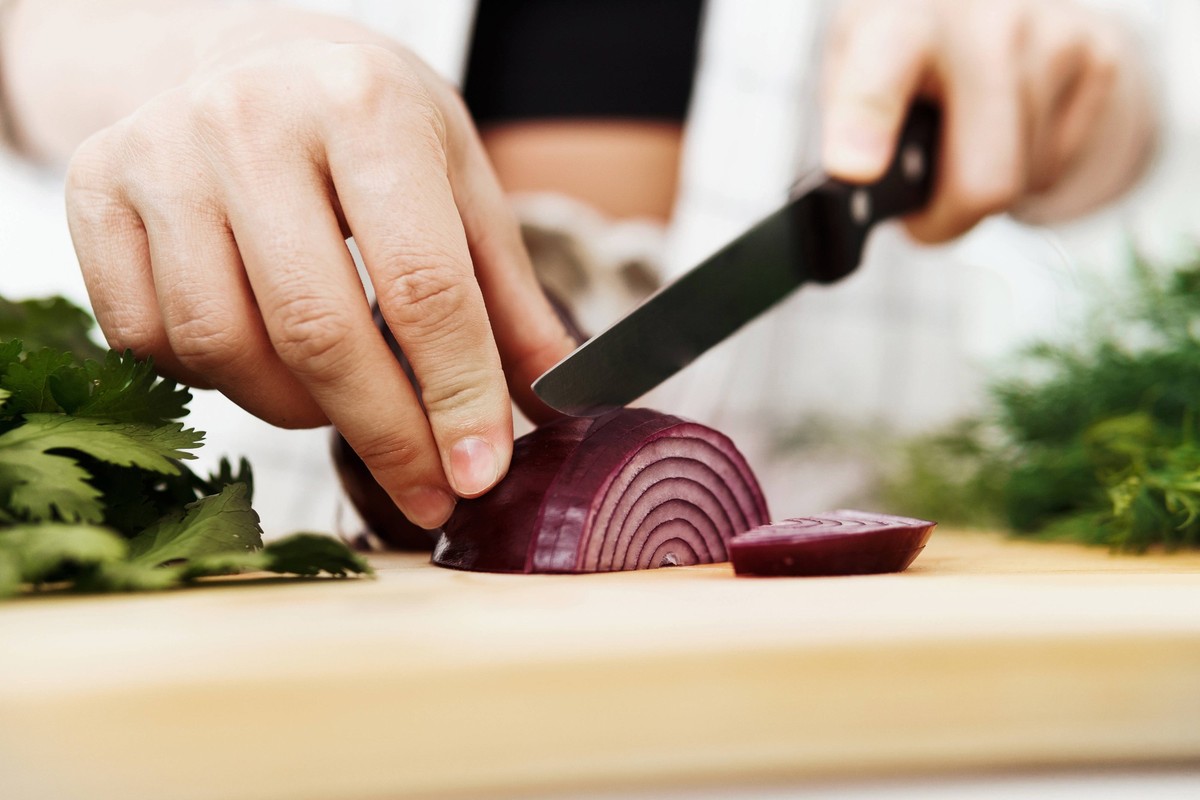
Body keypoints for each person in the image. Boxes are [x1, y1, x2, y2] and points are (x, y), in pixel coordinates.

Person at [0, 0, 1157, 532]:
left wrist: (1060, 75)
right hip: (303, 627)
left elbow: (1124, 95)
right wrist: (230, 44)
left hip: (848, 692)